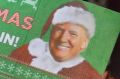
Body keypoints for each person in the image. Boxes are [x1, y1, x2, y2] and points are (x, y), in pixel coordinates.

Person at [9, 1, 102, 79]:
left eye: (73, 34)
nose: (62, 39)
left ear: (84, 43)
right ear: (51, 32)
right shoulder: (24, 52)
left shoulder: (90, 76)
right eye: (59, 30)